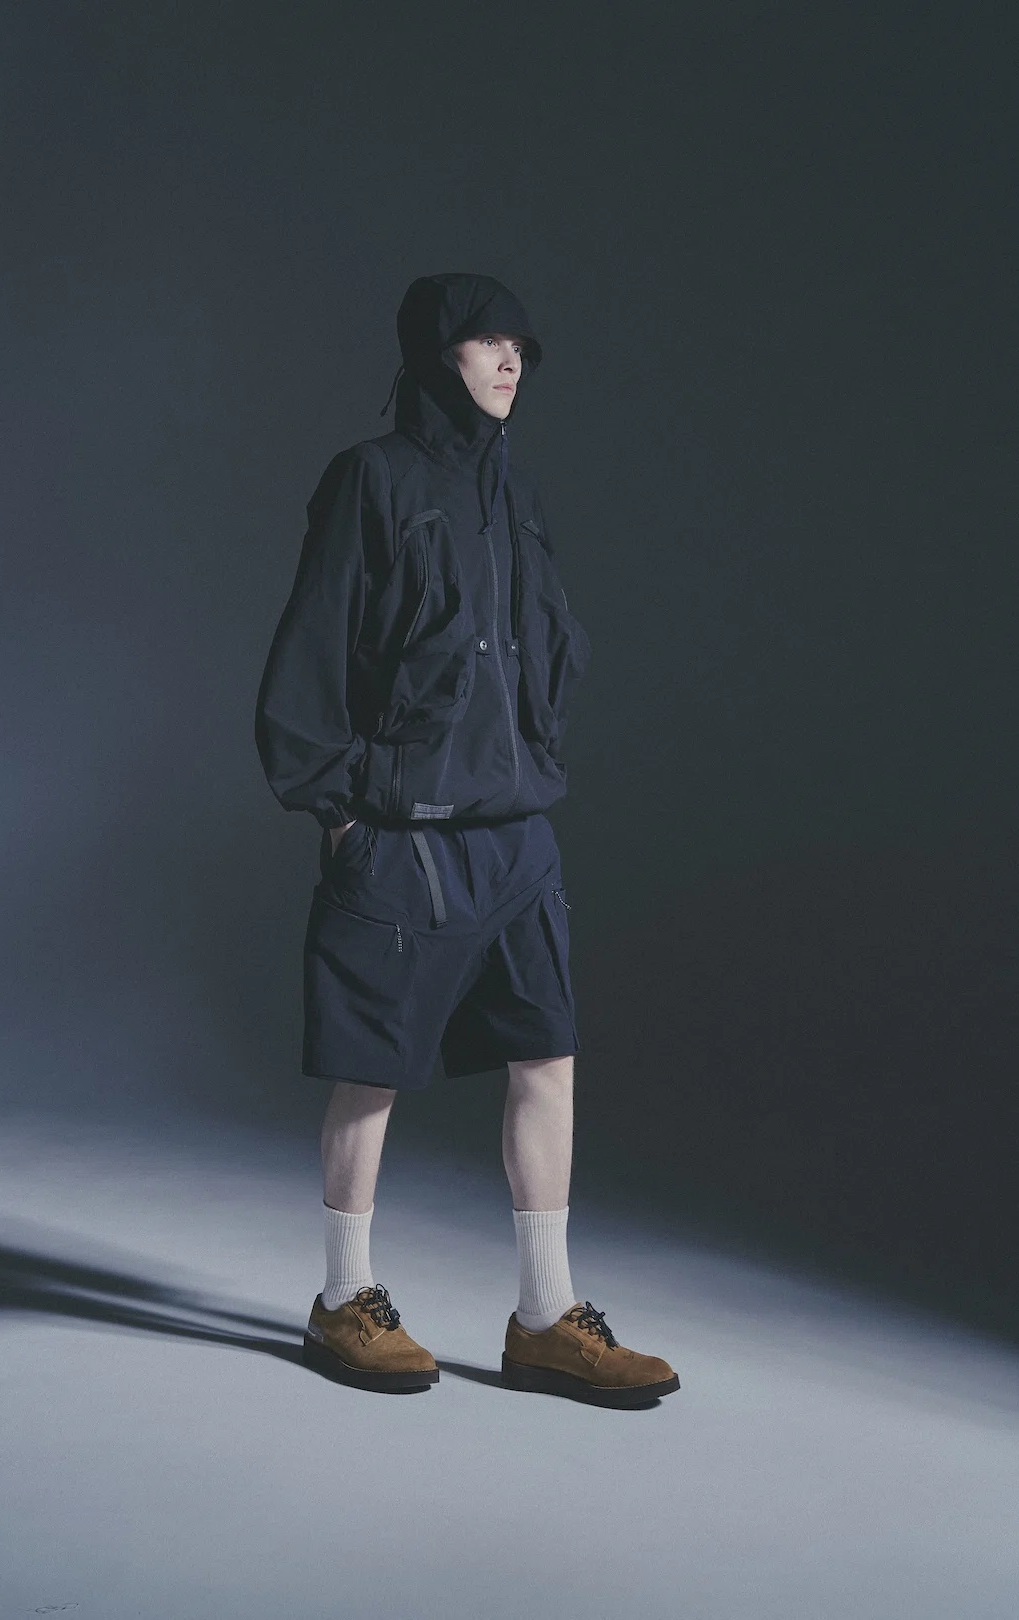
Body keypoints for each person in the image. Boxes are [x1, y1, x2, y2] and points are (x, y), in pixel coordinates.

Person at [255, 272, 679, 1407]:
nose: (508, 360)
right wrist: (344, 812)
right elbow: (311, 651)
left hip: (515, 831)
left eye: (518, 345)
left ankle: (545, 1318)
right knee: (372, 1071)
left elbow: (541, 646)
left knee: (547, 1056)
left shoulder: (513, 489)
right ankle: (345, 1297)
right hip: (404, 835)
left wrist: (526, 761)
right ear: (431, 356)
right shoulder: (372, 479)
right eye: (484, 341)